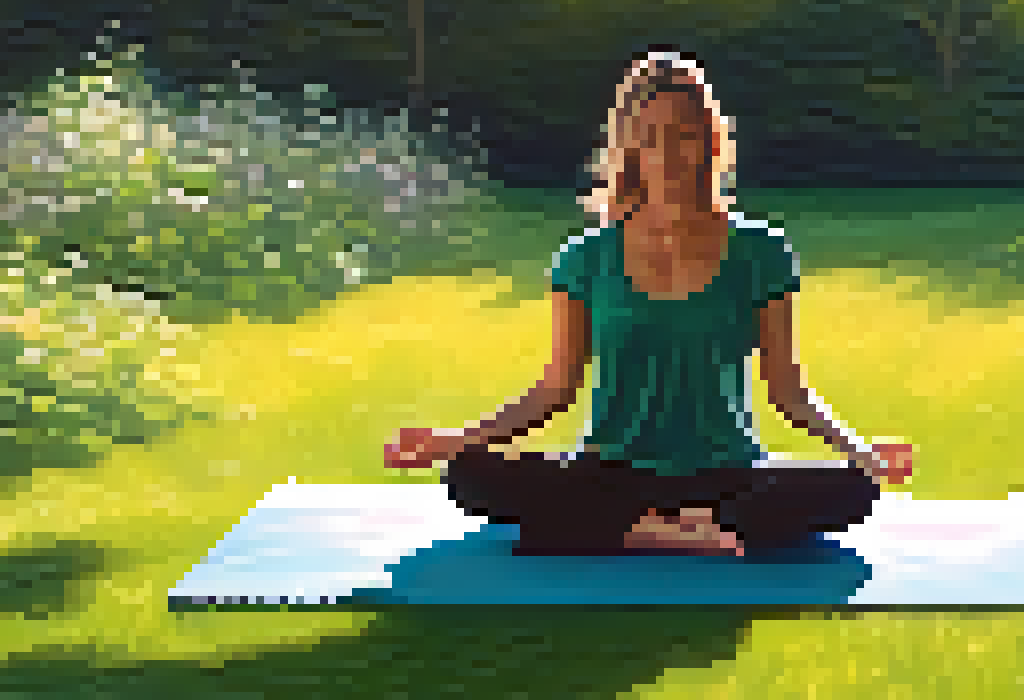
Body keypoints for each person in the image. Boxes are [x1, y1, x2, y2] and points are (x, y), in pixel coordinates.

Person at [381, 49, 915, 556]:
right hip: (611, 473)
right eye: (653, 137)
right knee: (471, 476)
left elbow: (788, 391)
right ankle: (663, 532)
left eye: (685, 135)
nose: (670, 153)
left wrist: (859, 450)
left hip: (725, 473)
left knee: (853, 489)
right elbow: (554, 389)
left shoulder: (761, 252)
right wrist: (453, 440)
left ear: (711, 141)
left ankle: (630, 531)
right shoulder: (586, 258)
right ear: (630, 148)